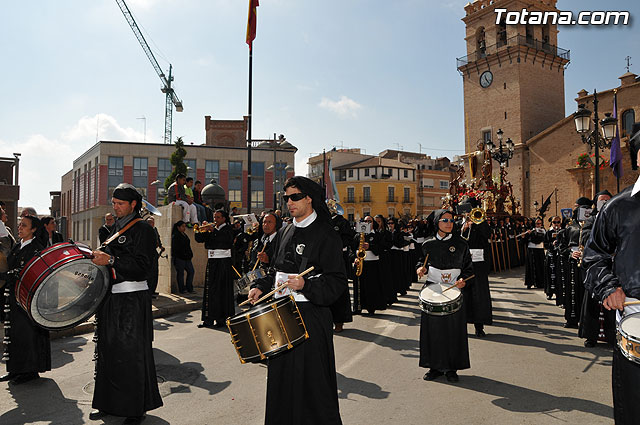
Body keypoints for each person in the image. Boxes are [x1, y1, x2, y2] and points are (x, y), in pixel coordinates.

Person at [248, 176, 346, 425]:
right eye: (286, 197)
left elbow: (336, 282)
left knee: (313, 383)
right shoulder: (284, 231)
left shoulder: (326, 234)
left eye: (295, 197)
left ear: (309, 199)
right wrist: (260, 287)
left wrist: (307, 284)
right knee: (282, 381)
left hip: (311, 316)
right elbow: (274, 272)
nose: (289, 202)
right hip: (280, 314)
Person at [89, 183, 162, 424]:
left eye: (120, 204)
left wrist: (110, 259)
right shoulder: (114, 229)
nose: (115, 207)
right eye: (113, 203)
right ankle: (107, 403)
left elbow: (143, 268)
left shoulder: (143, 230)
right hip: (112, 300)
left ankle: (134, 408)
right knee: (108, 353)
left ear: (133, 205)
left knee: (130, 357)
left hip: (131, 301)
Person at [582, 123, 640, 425]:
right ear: (639, 157)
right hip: (633, 317)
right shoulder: (617, 207)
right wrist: (608, 287)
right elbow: (593, 258)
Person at [416, 209, 473, 383]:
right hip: (432, 291)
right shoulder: (428, 244)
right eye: (445, 220)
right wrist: (420, 268)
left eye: (451, 220)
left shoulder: (462, 244)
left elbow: (469, 269)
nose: (449, 223)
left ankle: (451, 368)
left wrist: (464, 281)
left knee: (453, 331)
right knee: (433, 331)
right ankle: (434, 367)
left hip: (453, 292)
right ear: (436, 223)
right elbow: (421, 261)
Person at [0, 215, 51, 385]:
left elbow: (25, 271)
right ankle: (15, 369)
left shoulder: (36, 248)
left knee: (26, 334)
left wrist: (6, 275)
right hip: (14, 295)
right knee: (14, 333)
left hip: (27, 297)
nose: (20, 228)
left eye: (24, 225)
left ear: (34, 229)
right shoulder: (18, 246)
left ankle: (28, 371)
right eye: (19, 224)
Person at [579, 190, 615, 347]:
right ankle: (591, 336)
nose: (605, 203)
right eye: (601, 201)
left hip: (614, 267)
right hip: (596, 266)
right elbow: (586, 238)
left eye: (608, 200)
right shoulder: (591, 220)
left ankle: (612, 336)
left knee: (613, 300)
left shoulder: (616, 218)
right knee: (593, 304)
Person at [194, 209, 234, 328]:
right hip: (212, 261)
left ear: (223, 219)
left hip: (223, 262)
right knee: (210, 289)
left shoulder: (228, 229)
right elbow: (199, 239)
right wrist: (200, 230)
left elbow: (225, 241)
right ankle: (208, 319)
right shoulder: (212, 229)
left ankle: (222, 320)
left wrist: (214, 231)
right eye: (214, 217)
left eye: (217, 217)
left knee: (221, 290)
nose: (215, 220)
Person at [458, 199, 492, 337]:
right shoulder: (457, 224)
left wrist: (476, 225)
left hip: (478, 264)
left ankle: (479, 326)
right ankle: (461, 326)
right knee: (463, 295)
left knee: (479, 295)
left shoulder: (481, 221)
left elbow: (487, 235)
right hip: (462, 263)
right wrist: (463, 228)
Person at [558, 197, 592, 328]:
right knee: (573, 291)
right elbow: (562, 246)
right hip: (573, 264)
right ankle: (572, 318)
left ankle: (586, 321)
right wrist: (571, 253)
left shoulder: (594, 225)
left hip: (589, 263)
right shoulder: (570, 227)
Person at [352, 216, 386, 315]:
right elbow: (352, 248)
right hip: (359, 264)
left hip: (372, 264)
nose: (367, 223)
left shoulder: (378, 235)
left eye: (369, 221)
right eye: (365, 221)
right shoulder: (357, 236)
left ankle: (371, 307)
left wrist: (370, 246)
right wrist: (354, 258)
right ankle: (357, 307)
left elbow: (382, 248)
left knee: (371, 286)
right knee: (358, 286)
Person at [330, 204, 355, 332]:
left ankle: (339, 321)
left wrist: (336, 244)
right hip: (325, 258)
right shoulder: (322, 221)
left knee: (340, 289)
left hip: (339, 258)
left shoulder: (342, 222)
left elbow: (348, 238)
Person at [171, 220, 194, 294]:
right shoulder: (176, 236)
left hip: (187, 258)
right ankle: (182, 289)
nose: (184, 228)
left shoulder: (184, 235)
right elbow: (176, 248)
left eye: (185, 226)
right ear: (178, 227)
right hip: (179, 258)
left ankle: (189, 288)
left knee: (191, 271)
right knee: (180, 274)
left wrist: (190, 254)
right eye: (182, 226)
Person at [522, 218, 546, 289]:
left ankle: (540, 283)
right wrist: (527, 235)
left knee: (540, 266)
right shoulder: (530, 230)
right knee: (531, 266)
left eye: (540, 223)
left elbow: (541, 239)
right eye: (537, 224)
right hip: (532, 249)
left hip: (540, 249)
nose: (539, 225)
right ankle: (530, 282)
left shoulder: (543, 230)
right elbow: (525, 241)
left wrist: (534, 235)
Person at [543, 216, 562, 301]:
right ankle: (549, 292)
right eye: (554, 222)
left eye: (558, 222)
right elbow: (545, 244)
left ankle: (559, 293)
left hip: (559, 255)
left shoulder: (562, 231)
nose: (556, 224)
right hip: (551, 255)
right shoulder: (548, 232)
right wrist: (552, 243)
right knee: (549, 274)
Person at [145, 216, 165, 299]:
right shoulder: (144, 231)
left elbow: (158, 238)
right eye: (149, 222)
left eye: (152, 222)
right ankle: (148, 291)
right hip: (147, 253)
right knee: (149, 273)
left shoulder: (155, 229)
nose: (151, 224)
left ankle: (153, 290)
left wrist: (160, 246)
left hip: (154, 253)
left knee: (155, 272)